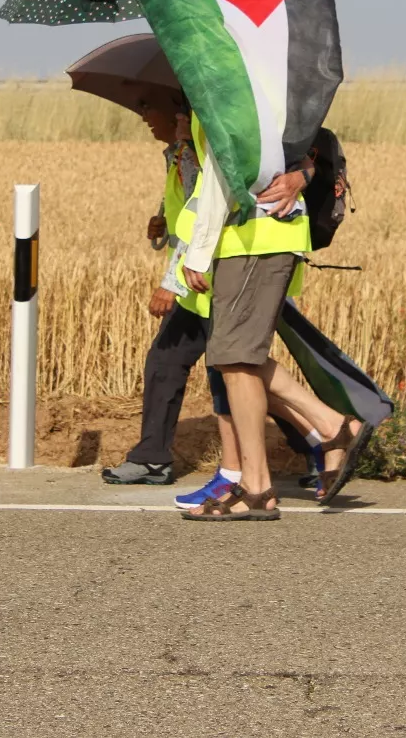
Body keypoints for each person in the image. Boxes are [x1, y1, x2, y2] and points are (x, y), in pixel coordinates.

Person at [101, 97, 325, 505]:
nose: (144, 118)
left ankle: (316, 441)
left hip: (208, 274)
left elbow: (210, 205)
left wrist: (173, 279)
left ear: (177, 115)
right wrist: (162, 223)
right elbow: (188, 208)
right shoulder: (180, 155)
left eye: (147, 109)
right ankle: (159, 457)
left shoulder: (203, 142)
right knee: (188, 363)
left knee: (240, 370)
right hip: (206, 272)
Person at [180, 112, 370, 521]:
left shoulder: (222, 83)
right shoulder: (219, 84)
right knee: (234, 358)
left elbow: (221, 172)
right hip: (246, 237)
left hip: (255, 234)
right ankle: (276, 470)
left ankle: (267, 478)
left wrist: (198, 248)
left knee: (236, 356)